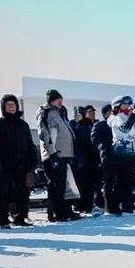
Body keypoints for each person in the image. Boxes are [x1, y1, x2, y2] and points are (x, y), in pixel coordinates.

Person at [0, 94, 37, 228]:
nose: (11, 107)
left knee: (23, 192)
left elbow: (30, 144)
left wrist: (33, 161)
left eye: (13, 104)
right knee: (3, 192)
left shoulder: (23, 124)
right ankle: (3, 219)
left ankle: (20, 217)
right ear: (4, 107)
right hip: (4, 164)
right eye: (8, 105)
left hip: (22, 163)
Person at [37, 89, 80, 222]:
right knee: (56, 185)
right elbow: (43, 132)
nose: (60, 101)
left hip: (66, 154)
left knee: (67, 185)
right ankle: (56, 212)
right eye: (57, 99)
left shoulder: (61, 112)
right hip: (54, 154)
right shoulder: (46, 112)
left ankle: (66, 210)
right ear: (51, 100)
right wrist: (52, 153)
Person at [106, 95, 135, 214]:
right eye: (125, 104)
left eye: (129, 104)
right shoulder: (116, 117)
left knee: (130, 181)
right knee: (123, 181)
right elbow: (124, 129)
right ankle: (115, 206)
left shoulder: (127, 116)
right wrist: (133, 116)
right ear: (118, 106)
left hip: (130, 153)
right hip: (121, 153)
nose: (128, 107)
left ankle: (128, 206)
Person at [72, 105, 101, 214]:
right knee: (81, 185)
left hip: (91, 160)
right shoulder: (74, 124)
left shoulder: (90, 125)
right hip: (79, 160)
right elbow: (76, 141)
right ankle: (80, 205)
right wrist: (78, 123)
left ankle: (89, 205)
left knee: (90, 185)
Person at [91, 104, 116, 214]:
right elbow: (95, 139)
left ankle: (117, 204)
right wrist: (105, 145)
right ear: (106, 113)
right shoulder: (100, 125)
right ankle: (108, 206)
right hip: (106, 157)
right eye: (111, 111)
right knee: (108, 183)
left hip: (119, 157)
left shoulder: (117, 124)